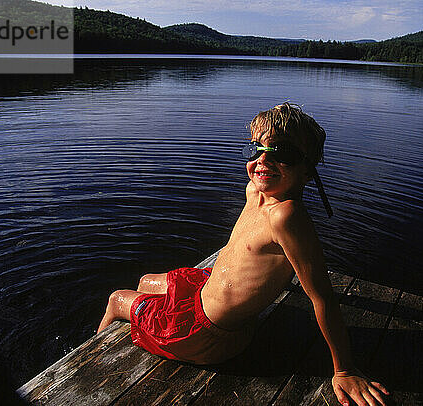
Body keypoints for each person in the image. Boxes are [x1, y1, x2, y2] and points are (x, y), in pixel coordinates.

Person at [98, 102, 389, 405]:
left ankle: (93, 359)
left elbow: (322, 297)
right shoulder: (256, 191)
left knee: (118, 298)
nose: (263, 160)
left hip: (204, 334)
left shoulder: (286, 217)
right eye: (256, 149)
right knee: (146, 281)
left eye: (283, 153)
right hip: (204, 291)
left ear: (307, 172)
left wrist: (344, 370)